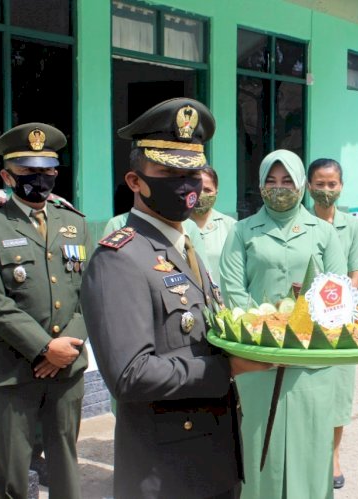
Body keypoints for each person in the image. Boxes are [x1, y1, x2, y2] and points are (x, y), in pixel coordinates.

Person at [81, 98, 266, 498]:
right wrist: (228, 368)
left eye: (193, 171)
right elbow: (130, 375)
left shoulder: (185, 246)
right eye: (168, 171)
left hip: (214, 457)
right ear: (135, 181)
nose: (185, 184)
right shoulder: (121, 258)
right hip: (166, 471)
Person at [0, 122, 89, 499]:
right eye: (28, 172)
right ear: (7, 176)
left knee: (66, 466)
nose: (41, 179)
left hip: (66, 369)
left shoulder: (74, 222)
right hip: (13, 372)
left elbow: (89, 294)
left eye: (48, 170)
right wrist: (43, 348)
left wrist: (66, 348)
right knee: (12, 473)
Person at [219, 149, 347, 499]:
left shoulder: (323, 232)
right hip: (259, 358)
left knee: (310, 448)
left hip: (312, 360)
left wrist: (306, 330)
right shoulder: (242, 231)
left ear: (302, 184)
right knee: (262, 446)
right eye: (271, 181)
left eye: (288, 180)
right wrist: (268, 330)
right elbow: (233, 289)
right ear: (260, 186)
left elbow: (336, 290)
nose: (280, 188)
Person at [306, 158, 358, 490]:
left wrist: (341, 302)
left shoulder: (351, 225)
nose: (326, 190)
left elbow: (357, 269)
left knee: (339, 392)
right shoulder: (298, 223)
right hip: (303, 320)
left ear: (341, 186)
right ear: (308, 186)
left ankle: (333, 456)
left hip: (340, 320)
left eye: (332, 184)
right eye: (319, 183)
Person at [190, 166, 236, 284]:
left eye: (207, 190)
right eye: (197, 188)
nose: (201, 194)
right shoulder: (178, 225)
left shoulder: (231, 227)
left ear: (216, 191)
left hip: (223, 300)